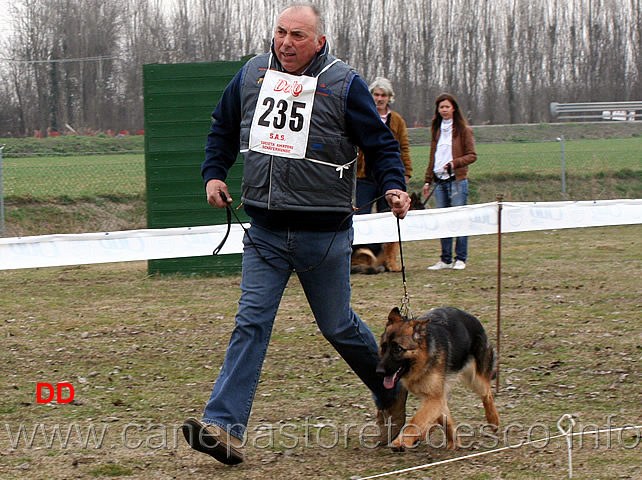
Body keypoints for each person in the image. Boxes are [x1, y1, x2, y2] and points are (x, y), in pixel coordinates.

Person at [181, 3, 411, 465]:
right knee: (251, 323)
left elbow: (380, 143)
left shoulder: (345, 83)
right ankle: (222, 426)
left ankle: (391, 394)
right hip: (264, 231)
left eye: (298, 35)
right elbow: (222, 129)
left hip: (323, 235)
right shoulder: (250, 75)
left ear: (319, 42)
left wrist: (393, 185)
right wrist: (213, 174)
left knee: (338, 325)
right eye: (281, 33)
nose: (286, 42)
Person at [422, 93, 476, 270]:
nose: (444, 110)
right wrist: (427, 179)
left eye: (447, 107)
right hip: (439, 181)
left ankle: (460, 258)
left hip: (456, 180)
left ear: (453, 108)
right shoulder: (436, 130)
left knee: (459, 218)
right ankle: (445, 259)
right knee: (443, 220)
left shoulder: (463, 130)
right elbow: (433, 156)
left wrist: (455, 163)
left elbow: (472, 155)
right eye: (441, 107)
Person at [355, 77, 412, 214]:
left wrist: (407, 172)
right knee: (362, 215)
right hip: (364, 177)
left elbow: (403, 147)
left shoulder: (397, 120)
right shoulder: (362, 117)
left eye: (383, 95)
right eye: (376, 94)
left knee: (387, 216)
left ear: (389, 98)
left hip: (387, 178)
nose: (380, 99)